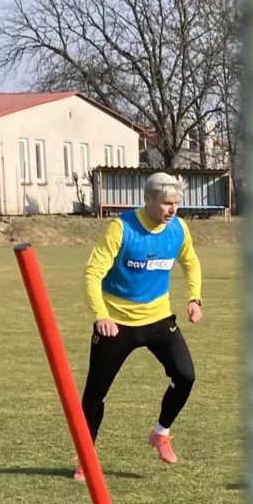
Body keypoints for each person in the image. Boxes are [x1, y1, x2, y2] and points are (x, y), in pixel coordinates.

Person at [78, 172, 203, 480]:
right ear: (147, 199)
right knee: (95, 393)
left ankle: (161, 433)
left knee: (185, 376)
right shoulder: (121, 228)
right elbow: (92, 273)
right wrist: (101, 315)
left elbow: (191, 262)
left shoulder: (178, 228)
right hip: (116, 323)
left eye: (176, 203)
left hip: (158, 319)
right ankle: (86, 458)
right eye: (166, 203)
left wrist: (194, 298)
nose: (172, 210)